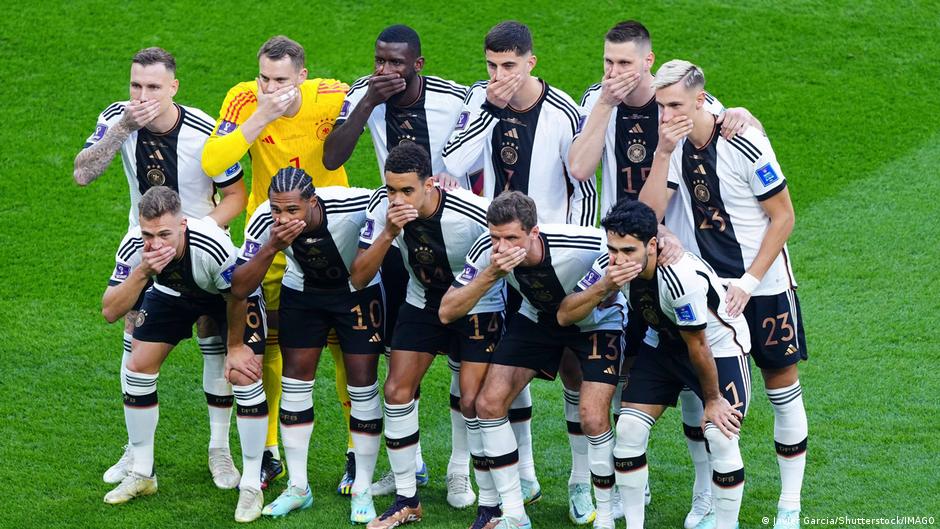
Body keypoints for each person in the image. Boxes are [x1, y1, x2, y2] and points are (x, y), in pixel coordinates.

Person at [568, 21, 761, 526]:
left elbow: (730, 126)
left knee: (700, 391)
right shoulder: (597, 99)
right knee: (635, 364)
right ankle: (638, 479)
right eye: (608, 62)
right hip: (620, 252)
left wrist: (744, 114)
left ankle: (704, 494)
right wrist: (605, 105)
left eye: (625, 64)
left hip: (673, 253)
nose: (614, 73)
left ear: (648, 62)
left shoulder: (678, 96)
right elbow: (580, 168)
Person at [639, 59, 807, 529]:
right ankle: (707, 497)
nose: (667, 113)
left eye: (675, 104)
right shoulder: (669, 143)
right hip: (706, 290)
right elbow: (648, 215)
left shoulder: (744, 139)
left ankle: (788, 505)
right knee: (702, 393)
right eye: (661, 105)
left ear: (700, 100)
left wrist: (750, 282)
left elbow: (784, 217)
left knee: (782, 387)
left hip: (764, 286)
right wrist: (662, 153)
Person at [74, 46, 248, 490]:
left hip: (203, 249)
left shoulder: (208, 131)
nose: (143, 95)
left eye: (153, 87)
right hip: (143, 243)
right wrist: (122, 129)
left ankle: (219, 450)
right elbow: (83, 174)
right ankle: (136, 451)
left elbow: (236, 198)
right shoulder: (118, 117)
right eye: (136, 85)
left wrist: (193, 234)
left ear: (174, 87)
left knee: (214, 339)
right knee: (133, 341)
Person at [442, 21, 592, 519]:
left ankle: (579, 480)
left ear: (531, 61)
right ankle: (522, 473)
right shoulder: (478, 102)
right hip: (495, 254)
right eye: (491, 65)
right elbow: (454, 163)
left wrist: (561, 260)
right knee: (499, 368)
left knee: (574, 373)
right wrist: (489, 107)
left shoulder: (564, 110)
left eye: (508, 65)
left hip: (548, 261)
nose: (499, 74)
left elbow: (582, 188)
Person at [322, 25, 477, 505]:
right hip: (402, 241)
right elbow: (332, 157)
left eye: (396, 63)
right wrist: (369, 101)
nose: (386, 71)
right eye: (379, 61)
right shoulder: (361, 96)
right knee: (400, 362)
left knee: (464, 371)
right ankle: (409, 468)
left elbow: (480, 154)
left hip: (459, 236)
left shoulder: (455, 99)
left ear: (418, 64)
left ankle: (460, 469)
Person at [202, 35, 355, 490]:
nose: (270, 87)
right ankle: (269, 452)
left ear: (302, 77)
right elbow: (215, 160)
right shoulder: (244, 99)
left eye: (281, 80)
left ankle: (354, 450)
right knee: (266, 343)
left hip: (328, 236)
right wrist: (260, 117)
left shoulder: (331, 95)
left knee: (344, 347)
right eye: (264, 78)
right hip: (267, 234)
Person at [557, 199, 750, 529]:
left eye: (628, 251)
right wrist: (605, 285)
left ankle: (723, 521)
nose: (619, 259)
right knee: (629, 429)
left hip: (717, 348)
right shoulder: (611, 266)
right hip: (662, 342)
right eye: (613, 249)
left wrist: (714, 399)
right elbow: (565, 314)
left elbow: (699, 345)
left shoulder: (679, 278)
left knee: (721, 434)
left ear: (652, 245)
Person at [440, 191, 626, 529]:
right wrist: (490, 275)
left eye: (511, 238)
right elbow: (447, 311)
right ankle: (514, 513)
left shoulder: (585, 244)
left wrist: (667, 239)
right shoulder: (488, 252)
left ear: (534, 233)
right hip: (538, 317)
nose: (501, 247)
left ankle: (586, 491)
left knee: (592, 415)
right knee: (489, 403)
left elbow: (634, 243)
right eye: (496, 237)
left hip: (597, 322)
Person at [349, 143, 502, 529]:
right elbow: (359, 276)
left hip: (476, 304)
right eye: (391, 190)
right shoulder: (381, 210)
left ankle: (489, 506)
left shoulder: (473, 213)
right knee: (397, 391)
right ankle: (407, 500)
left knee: (472, 401)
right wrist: (388, 231)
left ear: (430, 184)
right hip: (422, 302)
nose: (397, 199)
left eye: (407, 191)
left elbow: (509, 257)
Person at [99, 187, 268, 523]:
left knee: (243, 374)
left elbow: (237, 294)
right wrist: (143, 272)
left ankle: (249, 482)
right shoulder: (135, 245)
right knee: (137, 366)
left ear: (183, 225)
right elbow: (109, 310)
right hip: (172, 294)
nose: (155, 243)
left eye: (164, 234)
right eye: (149, 234)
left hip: (228, 297)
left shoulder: (211, 244)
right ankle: (143, 473)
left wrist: (236, 348)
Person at [230, 167, 385, 522]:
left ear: (313, 202)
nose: (282, 218)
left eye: (292, 211)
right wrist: (272, 245)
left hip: (357, 294)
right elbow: (239, 286)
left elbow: (386, 198)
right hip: (302, 294)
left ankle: (362, 487)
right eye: (276, 210)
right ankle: (299, 487)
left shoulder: (353, 204)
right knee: (295, 384)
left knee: (362, 383)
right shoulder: (261, 222)